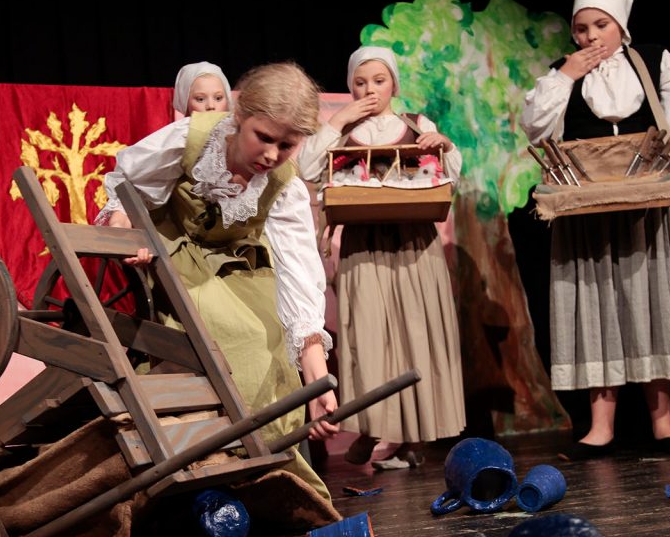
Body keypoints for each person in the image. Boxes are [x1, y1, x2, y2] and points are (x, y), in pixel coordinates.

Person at [95, 62, 339, 499]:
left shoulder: (284, 183)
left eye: (286, 145)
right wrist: (123, 223)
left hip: (241, 265)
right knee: (240, 337)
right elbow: (130, 184)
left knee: (275, 340)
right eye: (263, 137)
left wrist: (316, 374)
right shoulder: (192, 138)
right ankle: (227, 461)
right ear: (239, 116)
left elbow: (299, 270)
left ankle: (268, 468)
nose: (271, 155)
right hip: (178, 255)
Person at [520, 0, 670, 460]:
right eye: (581, 28)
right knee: (596, 306)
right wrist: (566, 75)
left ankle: (663, 424)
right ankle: (600, 427)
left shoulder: (653, 60)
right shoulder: (562, 73)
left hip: (649, 205)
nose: (590, 36)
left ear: (620, 25)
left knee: (655, 302)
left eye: (601, 25)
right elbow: (535, 127)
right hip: (589, 212)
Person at [297, 46, 466, 470]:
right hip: (363, 241)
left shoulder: (416, 125)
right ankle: (371, 425)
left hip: (414, 242)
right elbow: (307, 168)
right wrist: (338, 120)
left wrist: (444, 144)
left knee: (416, 334)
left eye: (379, 80)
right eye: (360, 83)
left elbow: (452, 172)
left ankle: (414, 437)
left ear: (394, 84)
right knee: (367, 336)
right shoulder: (341, 130)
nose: (369, 90)